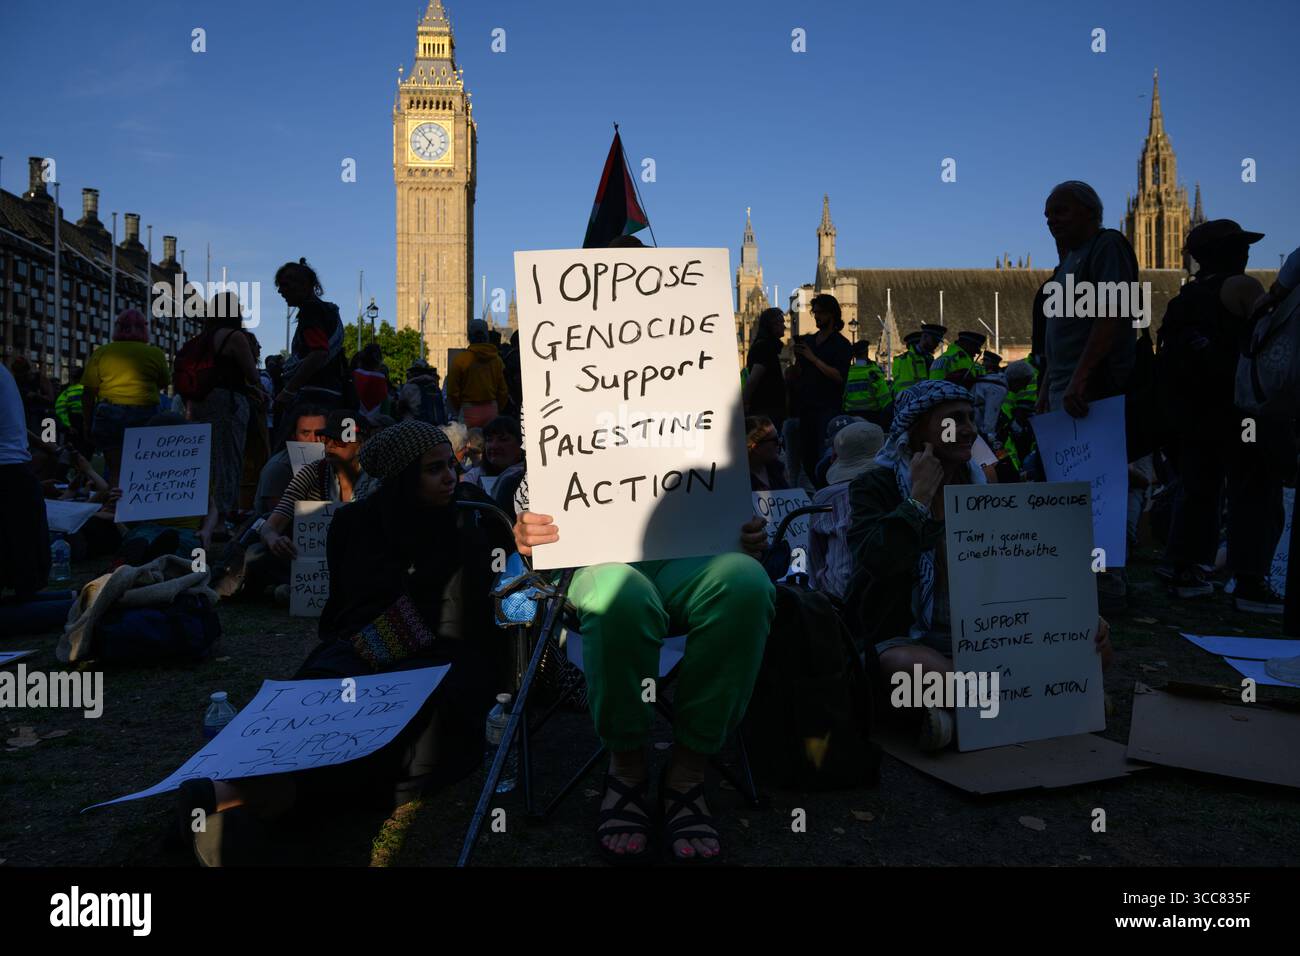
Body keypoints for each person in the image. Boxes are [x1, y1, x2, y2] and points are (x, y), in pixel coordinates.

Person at [175, 421, 512, 866]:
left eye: (450, 464)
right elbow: (349, 611)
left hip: (444, 662)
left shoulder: (473, 513)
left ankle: (250, 792)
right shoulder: (358, 522)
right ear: (401, 476)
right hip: (364, 647)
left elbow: (482, 610)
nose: (450, 476)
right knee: (318, 696)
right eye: (433, 469)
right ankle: (244, 786)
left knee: (396, 733)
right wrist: (373, 645)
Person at [513, 479, 775, 863]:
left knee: (747, 584)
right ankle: (627, 768)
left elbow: (721, 484)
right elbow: (533, 488)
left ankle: (688, 771)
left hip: (689, 551)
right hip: (588, 554)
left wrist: (746, 528)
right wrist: (523, 527)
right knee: (619, 594)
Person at [846, 381, 1113, 750]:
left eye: (971, 417)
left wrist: (1075, 614)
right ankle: (1046, 705)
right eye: (955, 419)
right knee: (905, 666)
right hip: (913, 641)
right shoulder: (874, 487)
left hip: (987, 641)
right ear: (917, 428)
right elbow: (877, 559)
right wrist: (918, 500)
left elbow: (1027, 570)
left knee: (1096, 649)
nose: (970, 428)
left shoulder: (986, 487)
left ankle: (964, 712)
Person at [1158, 219, 1287, 612]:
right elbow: (1271, 337)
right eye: (1241, 247)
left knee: (1199, 488)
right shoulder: (1242, 287)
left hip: (1194, 415)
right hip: (1238, 411)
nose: (1248, 253)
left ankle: (1185, 571)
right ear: (1230, 253)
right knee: (1255, 489)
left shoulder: (1185, 298)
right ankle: (1250, 581)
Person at [1038, 181, 1139, 417]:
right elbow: (1058, 335)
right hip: (1064, 391)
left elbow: (1112, 315)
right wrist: (1047, 386)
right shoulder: (1067, 261)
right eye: (1048, 215)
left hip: (1094, 390)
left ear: (1090, 212)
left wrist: (1080, 379)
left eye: (1061, 211)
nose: (1051, 220)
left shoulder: (1107, 245)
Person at [251, 408, 366, 598]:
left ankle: (290, 588)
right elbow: (269, 526)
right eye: (326, 438)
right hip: (317, 564)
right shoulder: (313, 472)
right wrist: (274, 540)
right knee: (255, 554)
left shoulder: (377, 477)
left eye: (339, 440)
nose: (329, 445)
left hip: (362, 560)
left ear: (361, 444)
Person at [184, 292, 264, 525]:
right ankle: (221, 516)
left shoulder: (201, 339)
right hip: (227, 404)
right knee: (228, 460)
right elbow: (252, 375)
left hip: (199, 404)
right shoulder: (234, 337)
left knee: (205, 461)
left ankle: (202, 513)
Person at [81, 309, 171, 484]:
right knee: (142, 467)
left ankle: (115, 508)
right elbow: (163, 383)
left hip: (109, 412)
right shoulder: (155, 354)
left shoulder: (102, 352)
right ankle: (138, 508)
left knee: (115, 470)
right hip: (145, 413)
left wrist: (87, 422)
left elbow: (89, 392)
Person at [809, 421, 884, 603]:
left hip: (837, 595)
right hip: (882, 598)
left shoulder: (825, 498)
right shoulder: (894, 489)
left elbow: (815, 557)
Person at [790, 294, 853, 486]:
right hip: (805, 407)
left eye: (820, 313)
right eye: (814, 312)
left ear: (831, 314)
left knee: (824, 455)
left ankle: (826, 494)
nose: (816, 317)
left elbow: (839, 376)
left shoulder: (841, 344)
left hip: (827, 408)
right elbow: (798, 373)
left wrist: (813, 359)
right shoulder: (808, 341)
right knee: (807, 457)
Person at [274, 259, 349, 412]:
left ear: (304, 285)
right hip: (332, 391)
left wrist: (288, 391)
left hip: (314, 395)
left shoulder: (310, 311)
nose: (280, 291)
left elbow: (319, 353)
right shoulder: (328, 310)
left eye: (285, 284)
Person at [252, 403, 329, 514]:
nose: (314, 440)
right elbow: (278, 517)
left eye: (320, 433)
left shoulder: (332, 461)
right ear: (294, 435)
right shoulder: (279, 468)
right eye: (305, 433)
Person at [447, 320, 509, 428]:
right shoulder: (497, 361)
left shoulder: (460, 360)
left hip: (468, 411)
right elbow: (503, 391)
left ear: (469, 337)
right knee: (490, 443)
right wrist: (496, 407)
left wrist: (460, 407)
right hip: (491, 410)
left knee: (467, 444)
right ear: (487, 337)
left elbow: (452, 392)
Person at [743, 307, 788, 429]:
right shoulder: (764, 347)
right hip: (766, 411)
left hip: (770, 410)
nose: (784, 326)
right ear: (771, 325)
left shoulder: (768, 346)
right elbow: (753, 379)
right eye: (781, 323)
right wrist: (745, 404)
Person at [460, 415, 524, 497]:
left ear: (520, 444)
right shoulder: (473, 477)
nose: (494, 446)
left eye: (503, 439)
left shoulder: (530, 475)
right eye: (489, 440)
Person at [843, 340, 893, 430]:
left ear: (854, 356)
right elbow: (884, 397)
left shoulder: (847, 373)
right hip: (871, 417)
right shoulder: (873, 372)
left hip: (850, 417)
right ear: (866, 353)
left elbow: (843, 396)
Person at [891, 324, 946, 397]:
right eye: (934, 340)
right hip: (907, 401)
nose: (936, 345)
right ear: (925, 337)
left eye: (938, 342)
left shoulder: (930, 359)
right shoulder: (903, 360)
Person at [746, 415, 790, 491]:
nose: (779, 442)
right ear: (755, 447)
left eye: (779, 438)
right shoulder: (740, 480)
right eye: (774, 440)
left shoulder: (778, 469)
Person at [397, 360, 447, 425]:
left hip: (415, 426)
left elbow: (400, 408)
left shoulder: (409, 387)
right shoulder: (435, 388)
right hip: (435, 428)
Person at [351, 343, 391, 420]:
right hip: (374, 423)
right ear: (379, 361)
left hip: (354, 419)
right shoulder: (381, 379)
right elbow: (385, 409)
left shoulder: (353, 375)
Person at [54, 365, 85, 440]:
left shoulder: (67, 392)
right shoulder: (90, 391)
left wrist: (68, 425)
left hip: (73, 422)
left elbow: (60, 409)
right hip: (87, 424)